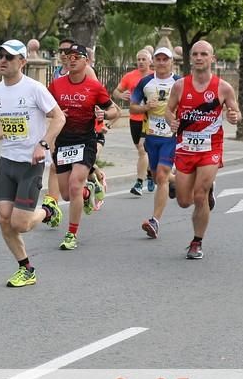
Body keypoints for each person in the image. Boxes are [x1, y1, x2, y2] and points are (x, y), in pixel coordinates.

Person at [0, 39, 65, 287]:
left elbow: (59, 118)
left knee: (20, 224)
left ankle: (48, 210)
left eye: (9, 57)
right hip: (7, 163)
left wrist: (43, 144)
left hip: (30, 164)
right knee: (4, 218)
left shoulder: (34, 89)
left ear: (22, 62)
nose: (2, 60)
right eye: (0, 55)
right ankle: (26, 268)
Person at [166, 40, 241, 260]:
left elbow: (236, 113)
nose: (199, 58)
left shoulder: (223, 87)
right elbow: (168, 111)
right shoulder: (180, 86)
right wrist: (171, 120)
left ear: (212, 59)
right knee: (183, 201)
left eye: (204, 54)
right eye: (195, 54)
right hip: (185, 148)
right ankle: (195, 188)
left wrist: (234, 117)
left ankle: (196, 242)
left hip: (210, 147)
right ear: (191, 58)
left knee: (200, 195)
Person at [48, 43, 119, 250]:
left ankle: (71, 234)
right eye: (68, 56)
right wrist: (56, 114)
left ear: (86, 61)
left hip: (85, 141)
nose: (71, 59)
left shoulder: (95, 87)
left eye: (77, 56)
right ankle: (87, 193)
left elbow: (115, 111)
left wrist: (104, 115)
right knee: (68, 194)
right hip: (63, 142)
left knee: (75, 184)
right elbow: (44, 109)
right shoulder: (57, 85)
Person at [131, 47, 180, 238]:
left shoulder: (180, 82)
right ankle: (179, 182)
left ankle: (155, 221)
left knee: (160, 176)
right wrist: (145, 107)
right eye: (158, 59)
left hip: (171, 137)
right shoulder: (145, 82)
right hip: (152, 137)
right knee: (159, 175)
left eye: (165, 59)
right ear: (154, 62)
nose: (161, 62)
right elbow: (133, 107)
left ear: (171, 62)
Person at [113, 49, 153, 195]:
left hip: (150, 119)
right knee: (142, 150)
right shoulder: (130, 76)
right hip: (134, 118)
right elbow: (116, 91)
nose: (141, 62)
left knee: (143, 150)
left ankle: (139, 183)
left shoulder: (154, 76)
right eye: (139, 59)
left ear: (150, 61)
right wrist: (121, 94)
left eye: (144, 59)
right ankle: (149, 175)